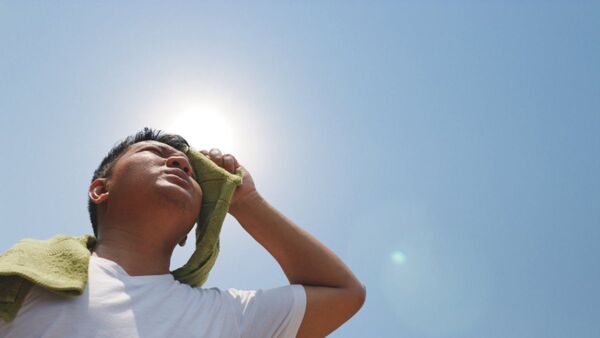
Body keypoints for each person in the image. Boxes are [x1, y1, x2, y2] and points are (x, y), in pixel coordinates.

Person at [0, 127, 366, 337]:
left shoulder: (223, 316)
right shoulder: (25, 278)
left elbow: (343, 293)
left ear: (188, 232)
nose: (177, 162)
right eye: (155, 152)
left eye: (192, 173)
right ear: (101, 190)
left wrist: (246, 202)